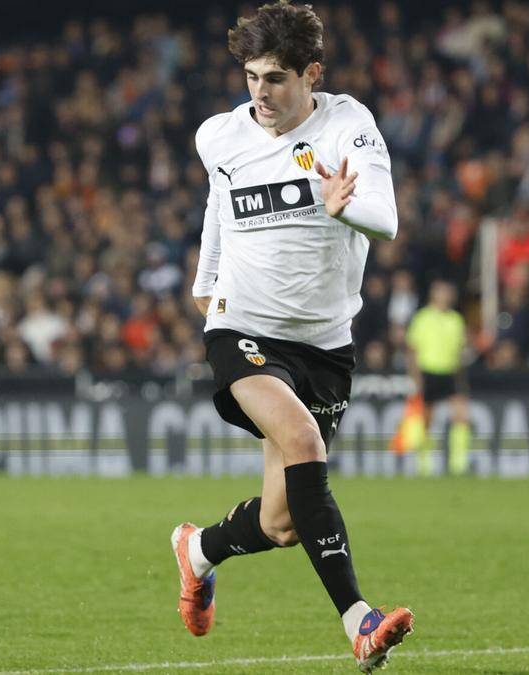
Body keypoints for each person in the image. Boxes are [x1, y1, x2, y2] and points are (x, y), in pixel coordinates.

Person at [170, 2, 413, 672]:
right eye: (251, 76)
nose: (260, 92)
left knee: (281, 523)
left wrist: (346, 206)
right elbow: (220, 203)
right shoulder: (219, 136)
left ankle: (197, 549)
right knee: (304, 441)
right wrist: (205, 280)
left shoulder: (347, 126)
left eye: (275, 78)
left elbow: (386, 218)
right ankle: (359, 621)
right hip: (242, 327)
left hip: (325, 346)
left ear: (312, 74)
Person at [406, 279, 471, 476]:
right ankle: (424, 462)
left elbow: (460, 352)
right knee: (427, 420)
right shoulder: (422, 318)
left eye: (448, 292)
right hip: (429, 371)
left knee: (461, 415)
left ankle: (459, 463)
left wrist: (461, 378)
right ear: (433, 294)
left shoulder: (456, 320)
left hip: (450, 372)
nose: (446, 296)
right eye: (442, 291)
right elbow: (413, 350)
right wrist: (416, 377)